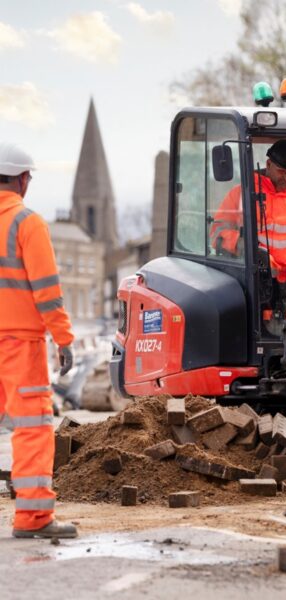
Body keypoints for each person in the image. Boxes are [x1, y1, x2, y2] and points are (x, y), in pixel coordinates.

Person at [0, 143, 77, 539]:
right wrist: (64, 338)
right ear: (23, 180)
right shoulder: (27, 223)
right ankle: (33, 519)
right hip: (19, 344)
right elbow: (47, 290)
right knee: (31, 428)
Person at [210, 139, 286, 284]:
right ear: (268, 164)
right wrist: (248, 249)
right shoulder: (242, 194)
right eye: (282, 172)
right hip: (256, 280)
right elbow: (217, 232)